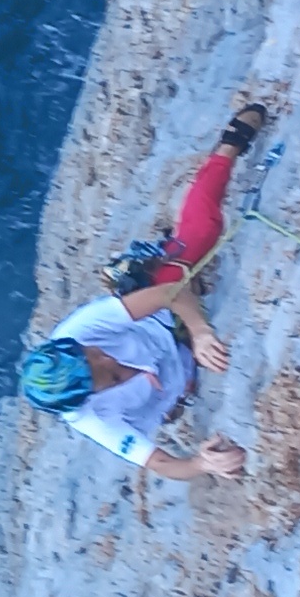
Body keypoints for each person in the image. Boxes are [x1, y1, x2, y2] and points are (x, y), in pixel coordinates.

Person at [16, 96, 273, 485]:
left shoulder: (79, 329)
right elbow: (162, 464)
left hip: (166, 323)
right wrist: (203, 465)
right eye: (112, 377)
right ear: (87, 397)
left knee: (200, 232)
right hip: (178, 378)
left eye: (96, 354)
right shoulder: (91, 419)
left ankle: (228, 148)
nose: (108, 360)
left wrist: (201, 332)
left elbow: (169, 292)